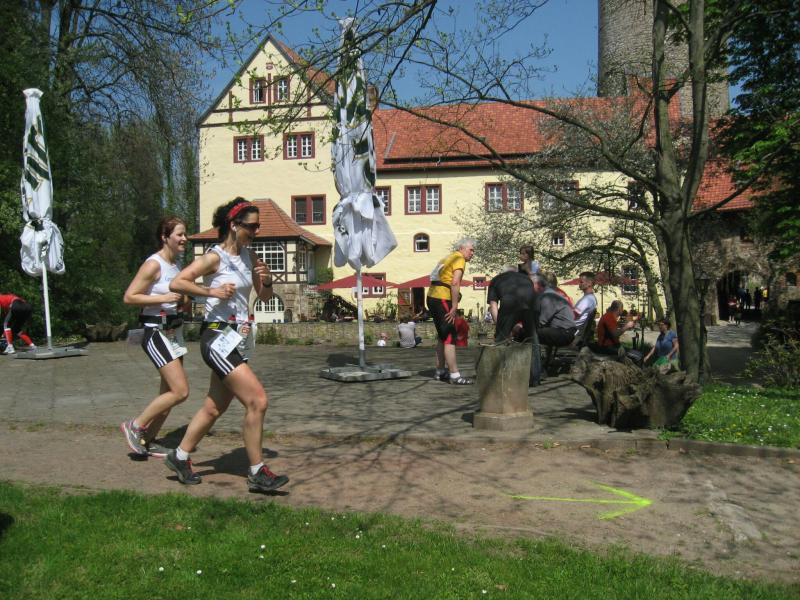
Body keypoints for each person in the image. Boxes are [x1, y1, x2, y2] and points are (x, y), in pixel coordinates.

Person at [166, 197, 288, 493]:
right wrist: (212, 291)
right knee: (257, 400)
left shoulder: (250, 256)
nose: (256, 231)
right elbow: (178, 283)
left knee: (214, 407)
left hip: (238, 338)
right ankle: (257, 472)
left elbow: (265, 298)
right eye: (252, 226)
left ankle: (179, 456)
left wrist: (267, 281)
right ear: (234, 225)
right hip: (217, 337)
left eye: (258, 226)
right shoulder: (214, 257)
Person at [119, 216, 190, 457]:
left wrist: (185, 300)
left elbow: (180, 299)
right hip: (155, 331)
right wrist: (163, 298)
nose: (184, 238)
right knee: (180, 391)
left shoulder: (176, 266)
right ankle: (135, 425)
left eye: (185, 234)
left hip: (174, 332)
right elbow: (129, 297)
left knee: (168, 393)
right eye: (179, 234)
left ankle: (148, 440)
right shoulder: (153, 264)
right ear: (165, 237)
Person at [427, 238, 476, 384]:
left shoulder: (446, 258)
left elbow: (434, 277)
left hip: (432, 297)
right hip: (442, 298)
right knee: (449, 336)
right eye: (471, 250)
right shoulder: (459, 258)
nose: (472, 253)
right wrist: (454, 306)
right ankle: (455, 375)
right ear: (462, 248)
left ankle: (440, 371)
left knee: (442, 336)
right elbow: (455, 283)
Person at [487, 267, 536, 343]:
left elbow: (493, 305)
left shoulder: (496, 280)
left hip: (509, 305)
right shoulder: (527, 279)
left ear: (503, 273)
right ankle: (534, 348)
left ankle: (501, 344)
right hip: (530, 308)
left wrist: (499, 326)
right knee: (531, 339)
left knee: (501, 340)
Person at [531, 275, 577, 349]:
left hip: (564, 334)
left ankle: (532, 355)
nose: (529, 288)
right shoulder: (550, 294)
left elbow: (541, 322)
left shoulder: (548, 296)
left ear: (538, 285)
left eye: (530, 284)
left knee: (527, 332)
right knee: (528, 331)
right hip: (564, 332)